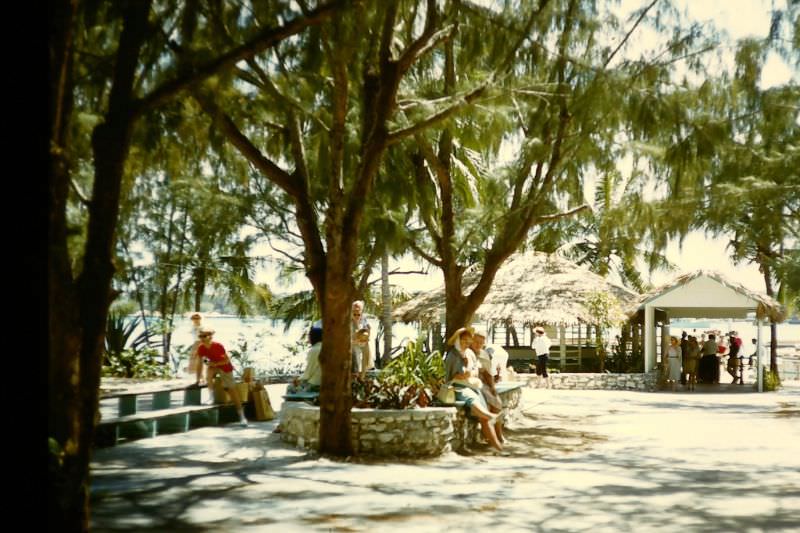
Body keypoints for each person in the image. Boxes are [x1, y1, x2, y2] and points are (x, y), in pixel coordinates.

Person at [444, 326, 504, 452]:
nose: (466, 343)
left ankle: (498, 447)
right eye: (463, 341)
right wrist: (460, 376)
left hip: (473, 385)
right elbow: (448, 377)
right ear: (458, 340)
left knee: (484, 416)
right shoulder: (452, 355)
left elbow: (478, 370)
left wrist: (471, 373)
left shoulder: (470, 354)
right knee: (475, 403)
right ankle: (491, 417)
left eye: (468, 341)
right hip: (459, 387)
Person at [196, 326, 248, 427]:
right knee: (209, 373)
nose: (202, 338)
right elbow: (200, 363)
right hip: (214, 366)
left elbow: (227, 360)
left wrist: (215, 364)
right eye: (200, 336)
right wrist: (198, 378)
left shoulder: (218, 346)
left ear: (210, 337)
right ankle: (211, 397)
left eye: (204, 336)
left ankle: (242, 416)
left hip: (225, 367)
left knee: (232, 391)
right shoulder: (201, 348)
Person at [287, 325, 323, 394]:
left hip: (315, 385)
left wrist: (297, 380)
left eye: (309, 336)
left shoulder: (314, 350)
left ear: (313, 337)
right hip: (323, 382)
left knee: (290, 387)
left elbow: (308, 373)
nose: (308, 338)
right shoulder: (325, 347)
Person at [350, 301, 372, 378]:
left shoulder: (363, 320)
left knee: (366, 346)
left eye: (358, 314)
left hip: (360, 343)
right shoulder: (347, 322)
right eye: (354, 314)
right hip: (350, 345)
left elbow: (367, 333)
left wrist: (367, 335)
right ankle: (356, 374)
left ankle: (362, 375)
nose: (356, 316)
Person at [187, 312, 205, 386]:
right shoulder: (193, 326)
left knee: (199, 361)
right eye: (194, 318)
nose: (195, 319)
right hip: (195, 343)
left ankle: (201, 378)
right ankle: (200, 378)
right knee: (193, 360)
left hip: (201, 343)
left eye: (197, 318)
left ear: (200, 319)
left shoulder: (202, 327)